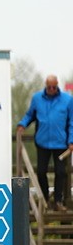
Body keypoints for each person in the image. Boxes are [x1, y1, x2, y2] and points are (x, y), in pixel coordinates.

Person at [16, 74, 73, 209]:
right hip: (42, 142)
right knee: (41, 172)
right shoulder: (37, 98)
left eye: (54, 87)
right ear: (45, 86)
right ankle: (45, 199)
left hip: (60, 143)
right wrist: (22, 124)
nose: (52, 89)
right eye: (49, 87)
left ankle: (59, 201)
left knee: (61, 172)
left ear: (57, 85)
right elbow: (30, 115)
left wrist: (71, 141)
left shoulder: (68, 100)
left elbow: (71, 122)